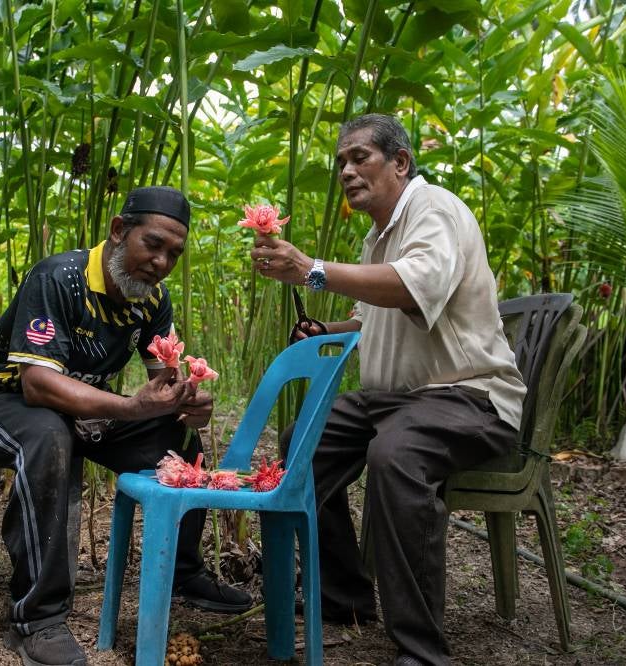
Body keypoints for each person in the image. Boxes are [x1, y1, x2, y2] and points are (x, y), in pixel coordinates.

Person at [249, 114, 526, 666]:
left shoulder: (434, 210)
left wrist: (311, 269)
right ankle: (345, 597)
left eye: (360, 158)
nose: (347, 171)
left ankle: (422, 652)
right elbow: (371, 317)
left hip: (468, 395)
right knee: (303, 440)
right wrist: (325, 329)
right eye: (341, 163)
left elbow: (410, 286)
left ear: (400, 162)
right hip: (398, 402)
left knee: (394, 455)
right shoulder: (379, 234)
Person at [0, 186, 252, 666]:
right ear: (117, 231)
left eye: (174, 254)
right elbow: (38, 386)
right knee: (48, 434)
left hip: (73, 412)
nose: (162, 262)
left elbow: (161, 383)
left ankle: (182, 573)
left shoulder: (152, 301)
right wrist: (131, 407)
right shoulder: (57, 278)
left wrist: (187, 402)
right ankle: (37, 617)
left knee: (178, 438)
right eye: (152, 244)